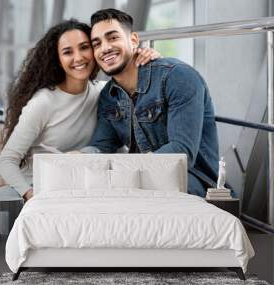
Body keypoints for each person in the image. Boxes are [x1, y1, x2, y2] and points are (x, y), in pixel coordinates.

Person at [0, 19, 160, 201]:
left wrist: (149, 59)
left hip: (83, 183)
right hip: (42, 186)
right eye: (68, 52)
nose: (79, 57)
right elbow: (6, 161)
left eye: (84, 47)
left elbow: (136, 84)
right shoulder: (43, 102)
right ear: (57, 59)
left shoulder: (103, 92)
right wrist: (31, 195)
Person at [81, 9, 219, 197]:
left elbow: (182, 151)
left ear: (134, 40)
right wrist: (78, 157)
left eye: (113, 38)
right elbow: (102, 146)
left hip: (194, 181)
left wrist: (128, 171)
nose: (104, 48)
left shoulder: (177, 76)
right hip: (141, 179)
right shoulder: (109, 96)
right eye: (97, 44)